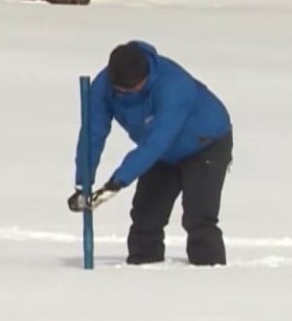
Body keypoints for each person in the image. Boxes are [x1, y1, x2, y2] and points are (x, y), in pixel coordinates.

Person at [68, 41, 234, 266]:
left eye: (135, 87)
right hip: (160, 154)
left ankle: (209, 273)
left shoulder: (174, 86)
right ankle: (143, 270)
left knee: (199, 217)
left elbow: (157, 142)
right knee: (146, 216)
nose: (129, 93)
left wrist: (117, 182)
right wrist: (83, 183)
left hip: (205, 143)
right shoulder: (103, 87)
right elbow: (93, 134)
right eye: (122, 90)